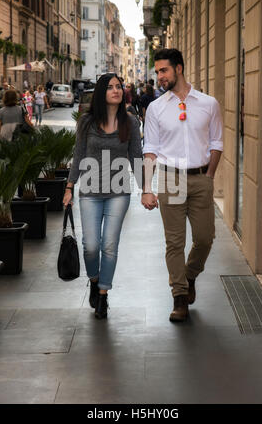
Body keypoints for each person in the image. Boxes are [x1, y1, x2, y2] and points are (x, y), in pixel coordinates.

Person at [142, 48, 223, 322]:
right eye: (157, 72)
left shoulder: (208, 103)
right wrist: (147, 187)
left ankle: (189, 276)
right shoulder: (156, 108)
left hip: (201, 178)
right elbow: (150, 149)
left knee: (204, 238)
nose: (160, 77)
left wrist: (209, 177)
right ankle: (179, 297)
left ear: (179, 68)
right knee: (174, 242)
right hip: (170, 178)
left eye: (163, 70)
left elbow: (216, 143)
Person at [63, 73, 143, 320]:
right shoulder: (87, 122)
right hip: (89, 191)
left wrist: (147, 189)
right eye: (110, 87)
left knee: (109, 245)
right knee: (91, 246)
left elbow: (136, 158)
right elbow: (78, 155)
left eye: (119, 86)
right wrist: (69, 187)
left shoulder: (131, 123)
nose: (116, 90)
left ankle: (103, 295)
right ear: (102, 93)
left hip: (118, 192)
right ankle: (94, 280)